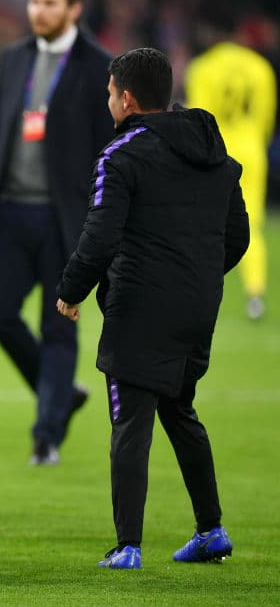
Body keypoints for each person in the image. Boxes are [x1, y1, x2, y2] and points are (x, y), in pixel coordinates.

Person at [55, 47, 249, 569]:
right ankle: (211, 530)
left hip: (139, 305)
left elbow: (99, 237)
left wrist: (71, 289)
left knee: (131, 422)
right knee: (178, 408)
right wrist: (196, 278)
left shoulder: (122, 155)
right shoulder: (214, 153)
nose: (109, 103)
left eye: (110, 94)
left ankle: (128, 546)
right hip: (198, 306)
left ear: (128, 98)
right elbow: (238, 236)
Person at [0, 0, 115, 465]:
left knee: (59, 326)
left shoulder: (101, 67)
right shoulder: (12, 59)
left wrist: (102, 220)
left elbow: (109, 149)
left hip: (65, 220)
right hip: (9, 212)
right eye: (34, 2)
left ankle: (46, 434)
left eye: (50, 3)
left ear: (74, 9)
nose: (38, 11)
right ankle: (59, 394)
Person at [186, 15, 276, 320]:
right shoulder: (260, 68)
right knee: (251, 224)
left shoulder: (203, 67)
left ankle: (196, 294)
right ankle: (255, 296)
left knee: (204, 223)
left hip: (218, 151)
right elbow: (265, 118)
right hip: (251, 151)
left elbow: (201, 118)